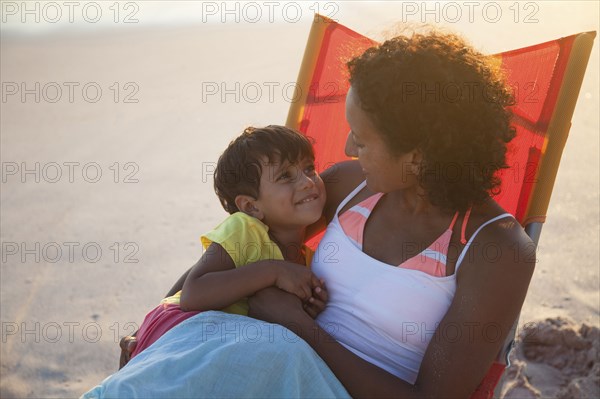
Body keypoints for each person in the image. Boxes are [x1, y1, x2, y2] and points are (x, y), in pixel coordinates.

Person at [91, 30, 536, 399]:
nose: (345, 150)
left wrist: (302, 330)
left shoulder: (494, 250)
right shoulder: (349, 187)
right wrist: (156, 329)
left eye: (361, 140)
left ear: (417, 157)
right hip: (262, 356)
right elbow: (241, 243)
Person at [128, 125, 328, 359]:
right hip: (181, 330)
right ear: (251, 206)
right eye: (285, 176)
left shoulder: (310, 260)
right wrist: (273, 271)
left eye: (309, 168)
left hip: (223, 346)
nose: (307, 181)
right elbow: (194, 293)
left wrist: (308, 308)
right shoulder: (244, 229)